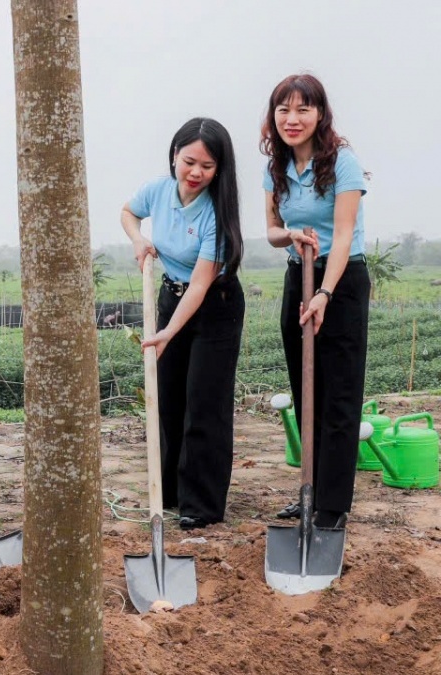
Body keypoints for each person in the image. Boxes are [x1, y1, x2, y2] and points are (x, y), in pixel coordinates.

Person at [121, 118, 246, 530]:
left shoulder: (217, 214)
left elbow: (201, 284)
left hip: (214, 306)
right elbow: (128, 212)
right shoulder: (158, 191)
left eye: (207, 166)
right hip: (171, 296)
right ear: (175, 154)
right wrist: (139, 239)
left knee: (203, 403)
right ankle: (171, 492)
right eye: (189, 161)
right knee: (169, 399)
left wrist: (168, 333)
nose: (195, 173)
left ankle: (201, 504)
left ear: (219, 169)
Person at [263, 74, 369, 530]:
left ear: (320, 114)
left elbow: (343, 235)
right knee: (306, 388)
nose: (292, 119)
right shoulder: (276, 167)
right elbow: (271, 230)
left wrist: (325, 292)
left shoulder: (343, 162)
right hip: (297, 275)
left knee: (339, 394)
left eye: (303, 109)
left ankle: (332, 505)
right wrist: (288, 234)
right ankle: (311, 487)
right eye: (283, 109)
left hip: (340, 282)